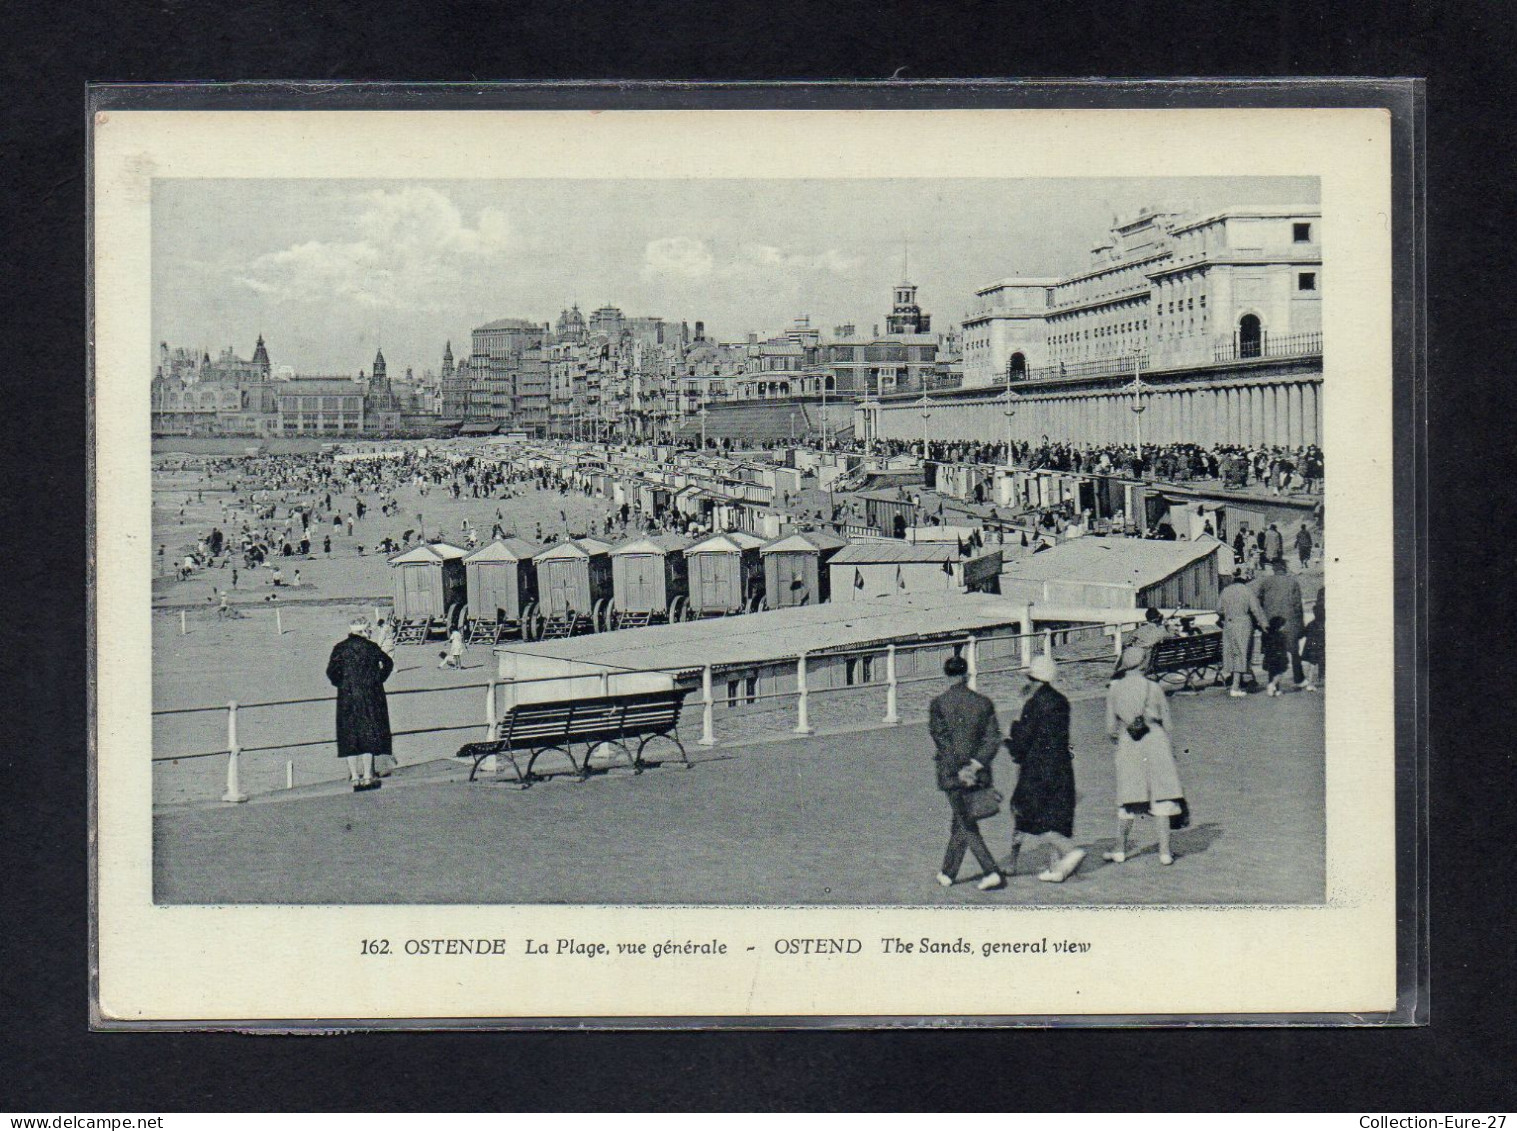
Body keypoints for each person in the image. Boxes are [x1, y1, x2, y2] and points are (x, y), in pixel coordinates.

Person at [1004, 654, 1085, 883]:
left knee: (1023, 810)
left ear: (1032, 678)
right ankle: (1056, 864)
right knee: (1056, 815)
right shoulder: (1061, 701)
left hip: (1035, 767)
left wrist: (1010, 736)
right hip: (1060, 766)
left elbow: (1022, 741)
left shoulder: (1032, 704)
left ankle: (1013, 861)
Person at [928, 655, 1006, 891]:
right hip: (978, 772)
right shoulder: (983, 702)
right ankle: (948, 873)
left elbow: (942, 741)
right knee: (962, 820)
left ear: (946, 675)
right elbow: (993, 738)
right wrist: (974, 764)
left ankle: (991, 871)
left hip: (952, 774)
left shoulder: (939, 704)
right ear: (967, 674)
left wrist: (959, 767)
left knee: (965, 822)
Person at [1105, 647, 1189, 866]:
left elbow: (1110, 728)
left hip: (1129, 742)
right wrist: (1172, 750)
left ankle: (1121, 849)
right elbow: (1168, 723)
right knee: (1162, 796)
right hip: (1156, 741)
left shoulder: (1114, 689)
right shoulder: (1154, 688)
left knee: (1129, 797)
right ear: (1144, 663)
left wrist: (1120, 739)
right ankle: (1164, 852)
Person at [325, 619, 394, 792]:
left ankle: (355, 777)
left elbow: (331, 672)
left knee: (349, 734)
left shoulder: (340, 647)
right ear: (364, 630)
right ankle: (368, 776)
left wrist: (342, 683)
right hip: (370, 695)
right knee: (369, 733)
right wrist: (378, 679)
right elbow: (388, 663)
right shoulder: (371, 647)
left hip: (347, 696)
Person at [1253, 559, 1307, 686]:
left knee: (1273, 652)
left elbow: (1258, 602)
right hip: (1289, 623)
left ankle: (1273, 681)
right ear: (1285, 568)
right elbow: (1298, 606)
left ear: (1274, 569)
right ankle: (1299, 678)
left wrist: (1262, 621)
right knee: (1294, 653)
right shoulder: (1293, 582)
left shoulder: (1265, 583)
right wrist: (1300, 625)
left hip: (1271, 625)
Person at [1218, 571, 1268, 697]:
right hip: (1243, 625)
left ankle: (1242, 681)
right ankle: (1235, 687)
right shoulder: (1247, 591)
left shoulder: (1226, 591)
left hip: (1229, 625)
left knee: (1233, 653)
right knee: (1242, 653)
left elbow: (1218, 609)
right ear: (1245, 580)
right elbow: (1256, 610)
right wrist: (1264, 625)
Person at [1301, 588, 1326, 691]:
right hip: (1321, 642)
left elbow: (1304, 632)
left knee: (1312, 664)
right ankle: (1321, 678)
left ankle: (1310, 683)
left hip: (1312, 644)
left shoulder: (1312, 623)